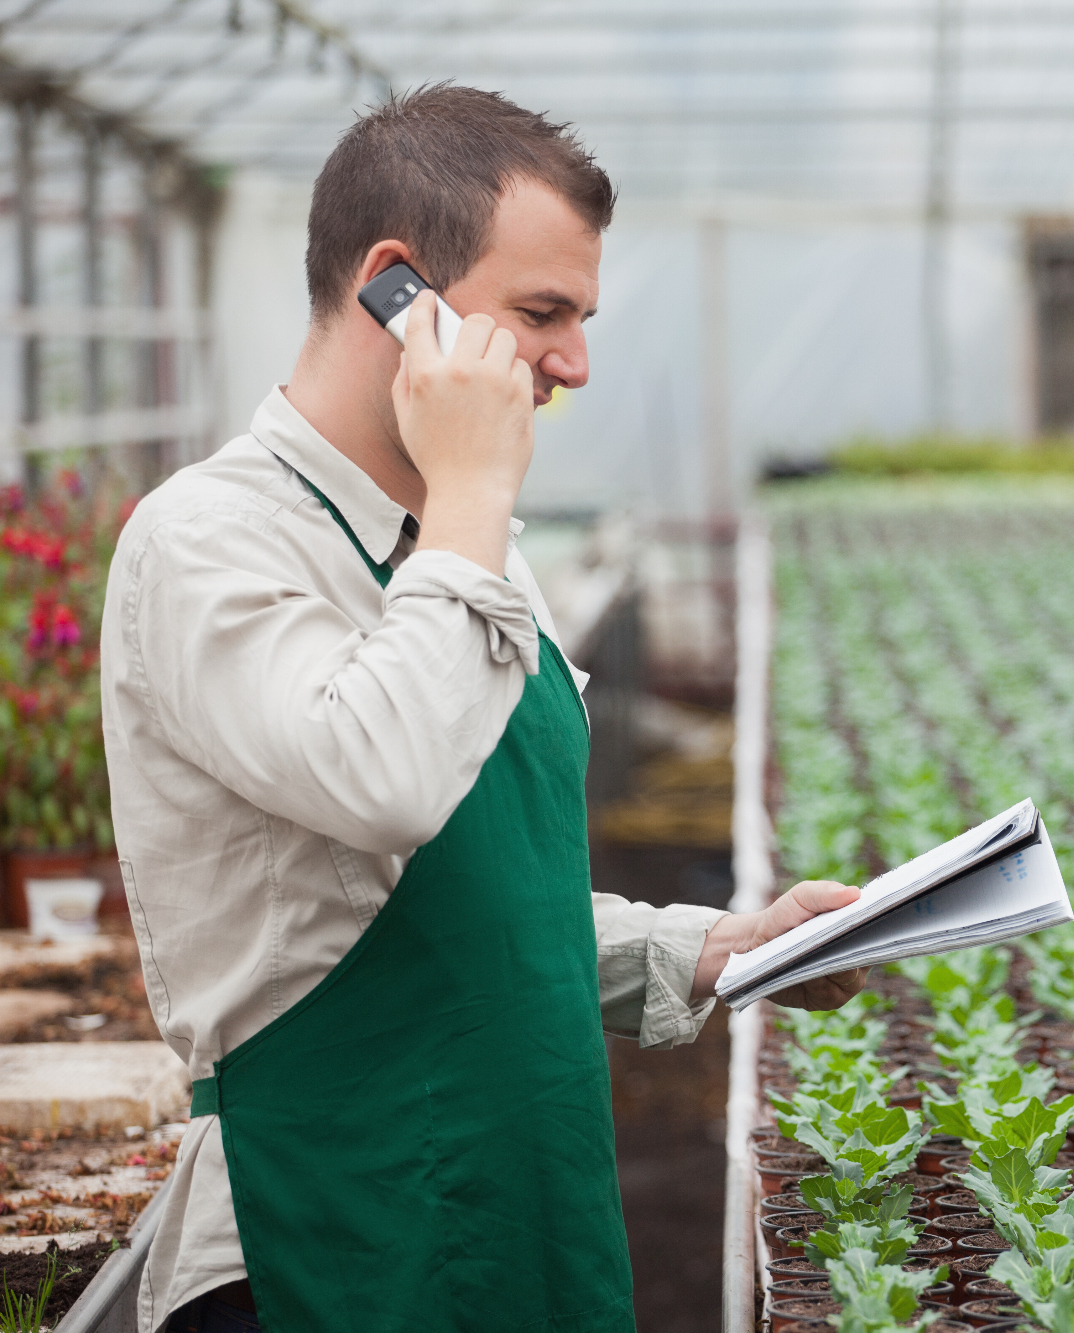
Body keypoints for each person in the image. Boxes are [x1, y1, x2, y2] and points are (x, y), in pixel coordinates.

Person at [100, 84, 865, 1333]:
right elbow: (382, 780)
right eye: (541, 314)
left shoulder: (474, 541)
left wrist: (716, 951)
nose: (572, 363)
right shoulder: (210, 541)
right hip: (329, 1237)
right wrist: (466, 503)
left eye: (580, 317)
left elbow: (473, 903)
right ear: (397, 291)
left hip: (522, 1200)